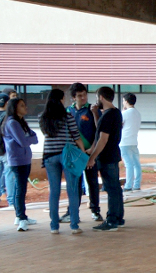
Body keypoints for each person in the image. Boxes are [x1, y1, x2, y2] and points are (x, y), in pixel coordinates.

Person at [40, 89, 86, 235]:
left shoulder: (43, 117)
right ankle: (74, 225)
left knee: (54, 191)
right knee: (72, 190)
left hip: (49, 156)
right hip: (67, 156)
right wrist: (83, 152)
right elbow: (76, 136)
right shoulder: (67, 116)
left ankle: (54, 226)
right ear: (61, 99)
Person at [87, 86, 125, 232]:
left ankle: (112, 220)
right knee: (115, 188)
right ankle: (118, 218)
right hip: (113, 155)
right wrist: (96, 114)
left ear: (101, 97)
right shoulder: (114, 113)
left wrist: (92, 157)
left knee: (111, 188)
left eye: (97, 97)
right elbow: (100, 131)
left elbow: (102, 139)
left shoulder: (108, 115)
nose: (97, 100)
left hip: (107, 156)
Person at [68, 83, 104, 222]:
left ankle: (95, 210)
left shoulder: (92, 109)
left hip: (89, 153)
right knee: (75, 183)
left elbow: (99, 132)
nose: (83, 98)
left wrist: (93, 149)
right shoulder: (68, 111)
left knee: (92, 182)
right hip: (74, 154)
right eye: (79, 96)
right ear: (73, 97)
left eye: (84, 95)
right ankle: (73, 211)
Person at [3, 96, 38, 231]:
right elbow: (24, 141)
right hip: (18, 160)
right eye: (22, 105)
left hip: (24, 159)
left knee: (21, 188)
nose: (26, 107)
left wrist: (28, 138)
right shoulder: (12, 123)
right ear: (15, 107)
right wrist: (28, 139)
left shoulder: (20, 121)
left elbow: (33, 137)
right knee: (20, 188)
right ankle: (21, 217)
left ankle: (21, 215)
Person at [120, 92, 142, 192]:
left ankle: (128, 185)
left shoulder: (124, 113)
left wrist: (122, 111)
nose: (123, 102)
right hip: (134, 141)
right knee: (136, 164)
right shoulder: (137, 113)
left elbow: (119, 125)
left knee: (128, 164)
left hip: (124, 141)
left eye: (123, 101)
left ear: (126, 101)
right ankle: (136, 184)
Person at [0, 87, 13, 208]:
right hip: (5, 150)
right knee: (9, 174)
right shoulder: (7, 117)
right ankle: (11, 202)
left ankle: (2, 194)